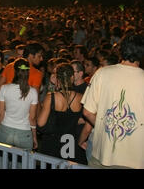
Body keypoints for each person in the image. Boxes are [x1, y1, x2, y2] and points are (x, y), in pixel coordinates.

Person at [82, 34, 144, 169]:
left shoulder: (102, 73)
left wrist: (104, 126)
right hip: (135, 159)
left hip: (102, 154)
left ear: (121, 50)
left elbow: (87, 112)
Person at [37, 63, 86, 164]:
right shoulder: (81, 97)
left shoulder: (52, 97)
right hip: (69, 143)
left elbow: (40, 123)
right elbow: (83, 119)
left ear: (57, 78)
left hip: (52, 142)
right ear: (72, 77)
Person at [0, 58, 38, 150]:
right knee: (23, 163)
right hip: (24, 132)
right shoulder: (33, 92)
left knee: (1, 161)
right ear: (28, 72)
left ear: (14, 71)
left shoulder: (4, 88)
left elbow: (0, 113)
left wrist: (0, 129)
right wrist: (34, 137)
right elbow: (32, 118)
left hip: (6, 128)